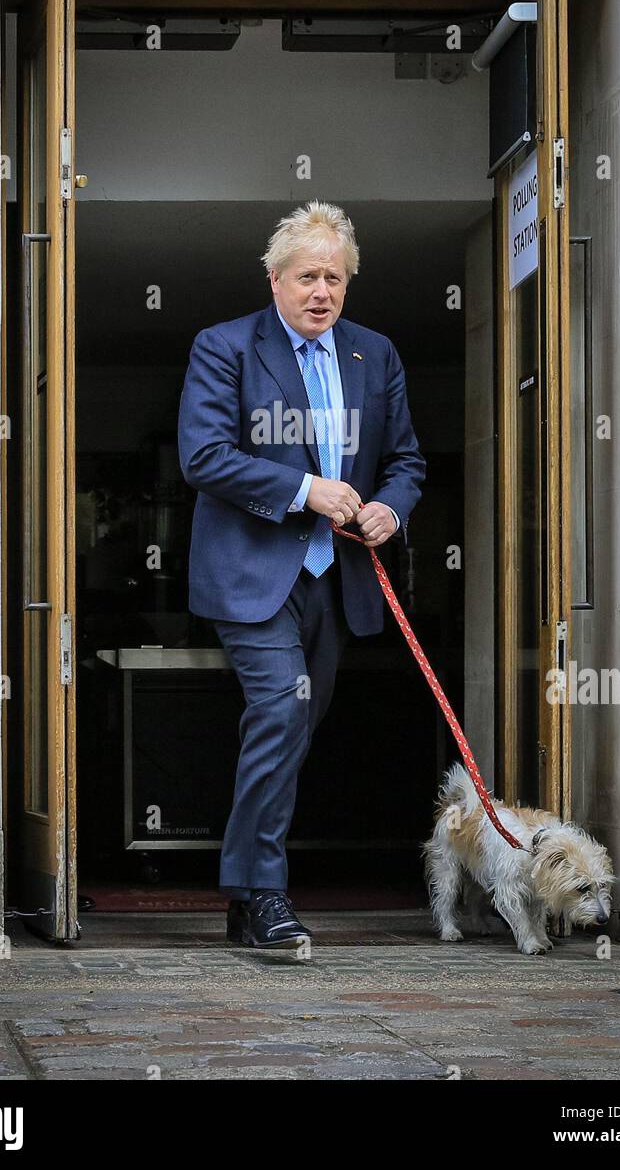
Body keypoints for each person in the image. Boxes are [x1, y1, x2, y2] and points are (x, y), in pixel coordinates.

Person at [177, 200, 426, 951]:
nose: (323, 292)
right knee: (282, 713)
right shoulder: (225, 347)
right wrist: (304, 490)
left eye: (337, 279)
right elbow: (203, 455)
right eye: (309, 276)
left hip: (336, 576)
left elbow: (407, 460)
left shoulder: (374, 354)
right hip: (253, 575)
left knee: (294, 729)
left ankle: (245, 890)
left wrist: (389, 506)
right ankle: (262, 895)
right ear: (274, 278)